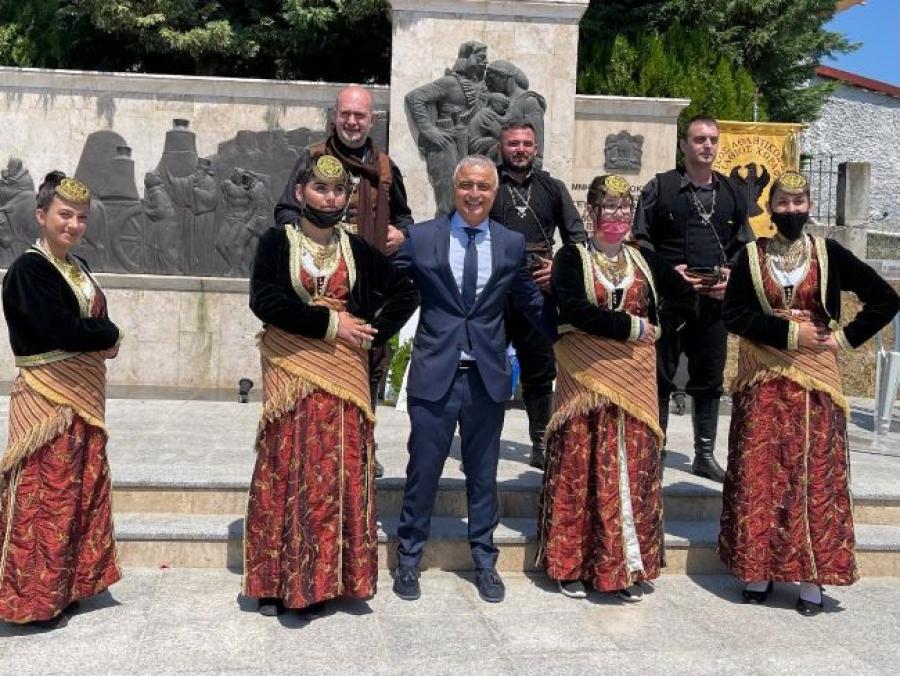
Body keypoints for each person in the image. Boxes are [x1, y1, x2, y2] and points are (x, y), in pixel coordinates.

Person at [244, 155, 418, 617]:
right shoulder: (276, 241)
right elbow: (265, 301)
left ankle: (326, 581)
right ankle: (275, 583)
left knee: (334, 473)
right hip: (291, 375)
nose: (330, 198)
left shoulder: (356, 249)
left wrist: (370, 333)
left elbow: (406, 292)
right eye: (321, 188)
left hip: (343, 379)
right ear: (300, 192)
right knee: (285, 469)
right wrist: (331, 324)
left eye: (339, 191)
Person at [719, 171, 899, 615]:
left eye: (799, 202)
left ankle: (811, 577)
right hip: (762, 377)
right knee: (760, 471)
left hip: (815, 380)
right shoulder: (750, 256)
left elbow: (884, 299)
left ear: (810, 207)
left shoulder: (828, 253)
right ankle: (758, 570)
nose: (791, 210)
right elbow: (734, 315)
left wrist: (844, 338)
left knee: (812, 475)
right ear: (770, 207)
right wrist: (788, 333)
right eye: (783, 202)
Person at [391, 155, 552, 604]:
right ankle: (409, 559)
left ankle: (485, 561)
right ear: (454, 188)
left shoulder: (510, 243)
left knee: (483, 476)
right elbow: (387, 287)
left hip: (486, 379)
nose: (474, 194)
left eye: (483, 186)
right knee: (423, 471)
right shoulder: (422, 238)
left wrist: (569, 336)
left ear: (494, 193)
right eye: (466, 185)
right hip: (434, 376)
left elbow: (530, 303)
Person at [538, 175, 695, 601]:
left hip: (634, 383)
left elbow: (685, 299)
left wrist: (660, 329)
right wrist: (631, 328)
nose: (617, 214)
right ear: (591, 211)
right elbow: (574, 309)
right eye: (609, 206)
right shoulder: (572, 257)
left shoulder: (645, 260)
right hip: (585, 379)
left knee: (630, 470)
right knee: (580, 468)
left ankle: (625, 566)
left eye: (624, 207)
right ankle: (570, 565)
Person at [0, 173, 122, 626]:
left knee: (76, 490)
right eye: (64, 215)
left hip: (83, 399)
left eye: (81, 218)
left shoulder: (77, 266)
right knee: (44, 496)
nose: (73, 225)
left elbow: (88, 322)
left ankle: (68, 587)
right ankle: (32, 600)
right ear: (42, 215)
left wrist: (101, 334)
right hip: (48, 398)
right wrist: (109, 334)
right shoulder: (29, 270)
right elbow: (59, 328)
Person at [275, 85, 414, 478]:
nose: (352, 122)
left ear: (372, 120)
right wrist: (313, 235)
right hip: (320, 283)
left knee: (369, 364)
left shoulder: (385, 168)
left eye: (360, 115)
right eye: (346, 114)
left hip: (367, 286)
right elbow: (284, 210)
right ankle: (311, 445)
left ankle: (362, 444)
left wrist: (402, 234)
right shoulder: (312, 158)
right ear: (335, 116)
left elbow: (404, 218)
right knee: (315, 362)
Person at [633, 114, 754, 482]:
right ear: (683, 145)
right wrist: (668, 274)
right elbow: (640, 241)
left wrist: (731, 276)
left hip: (714, 303)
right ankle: (655, 452)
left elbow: (744, 246)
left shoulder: (732, 192)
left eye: (713, 139)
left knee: (710, 378)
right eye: (700, 139)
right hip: (669, 302)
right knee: (660, 376)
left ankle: (704, 455)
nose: (707, 146)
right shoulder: (661, 187)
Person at [490, 119, 586, 469]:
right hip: (494, 291)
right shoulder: (486, 183)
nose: (520, 150)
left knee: (540, 371)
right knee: (487, 369)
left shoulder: (552, 187)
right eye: (513, 143)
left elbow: (577, 238)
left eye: (526, 144)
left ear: (536, 148)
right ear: (501, 147)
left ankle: (541, 444)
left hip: (538, 288)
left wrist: (558, 269)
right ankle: (483, 444)